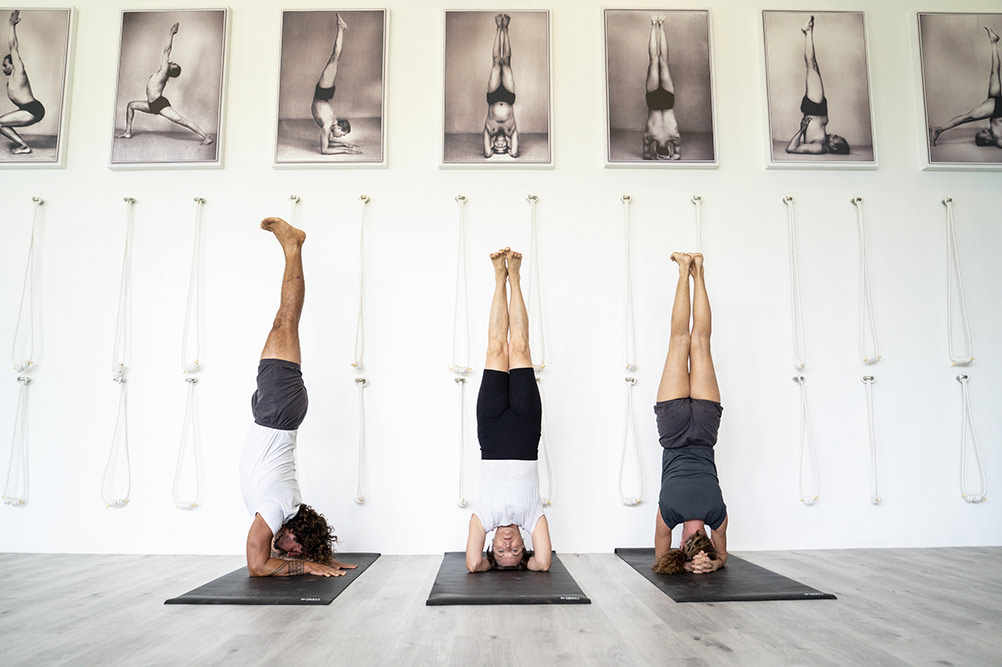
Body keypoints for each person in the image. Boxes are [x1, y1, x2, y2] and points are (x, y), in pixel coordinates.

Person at [240, 216, 356, 578]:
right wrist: (307, 565)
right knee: (286, 321)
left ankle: (293, 246)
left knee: (283, 322)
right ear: (296, 534)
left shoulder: (283, 509)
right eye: (295, 550)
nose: (286, 553)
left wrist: (320, 560)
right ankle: (293, 245)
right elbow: (257, 567)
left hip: (275, 413)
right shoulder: (277, 510)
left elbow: (264, 561)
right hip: (277, 413)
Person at [465, 248, 551, 572]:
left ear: (491, 547)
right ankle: (514, 277)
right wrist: (528, 563)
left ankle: (498, 278)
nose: (507, 547)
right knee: (520, 347)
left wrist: (487, 565)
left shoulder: (483, 517)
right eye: (515, 551)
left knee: (495, 348)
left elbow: (473, 564)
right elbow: (543, 564)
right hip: (526, 435)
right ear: (524, 544)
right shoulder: (533, 516)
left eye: (501, 553)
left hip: (491, 434)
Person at [652, 252, 728, 575]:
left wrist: (701, 563)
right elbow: (723, 556)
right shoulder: (706, 516)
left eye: (688, 541)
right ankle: (692, 271)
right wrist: (711, 563)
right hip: (690, 432)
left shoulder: (705, 515)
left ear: (680, 544)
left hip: (684, 431)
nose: (694, 533)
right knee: (693, 341)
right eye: (700, 538)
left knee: (688, 341)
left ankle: (690, 271)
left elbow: (661, 557)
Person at [116, 22, 213, 145]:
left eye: (173, 64)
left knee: (181, 120)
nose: (172, 62)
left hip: (160, 104)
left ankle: (206, 136)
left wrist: (171, 33)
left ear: (171, 70)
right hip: (152, 104)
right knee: (131, 105)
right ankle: (128, 132)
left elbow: (167, 50)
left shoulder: (164, 72)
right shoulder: (162, 72)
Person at [785, 16, 850, 155]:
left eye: (836, 138)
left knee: (812, 66)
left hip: (815, 107)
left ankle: (808, 31)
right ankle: (808, 32)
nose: (834, 134)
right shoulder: (822, 141)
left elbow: (791, 149)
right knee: (814, 66)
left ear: (834, 147)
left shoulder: (819, 147)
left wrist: (802, 129)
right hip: (818, 106)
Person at [931, 27, 1002, 150]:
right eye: (984, 133)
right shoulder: (999, 140)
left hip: (996, 108)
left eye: (983, 131)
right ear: (987, 140)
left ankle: (993, 42)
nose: (985, 130)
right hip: (997, 108)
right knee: (967, 117)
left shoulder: (996, 135)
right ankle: (938, 130)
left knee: (994, 72)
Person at [311, 13, 359, 156]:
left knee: (335, 58)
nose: (340, 136)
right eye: (342, 134)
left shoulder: (330, 124)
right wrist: (345, 150)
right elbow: (324, 150)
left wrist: (344, 144)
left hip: (324, 94)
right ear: (338, 127)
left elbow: (326, 144)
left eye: (342, 136)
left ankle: (341, 28)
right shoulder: (328, 124)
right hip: (322, 93)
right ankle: (341, 28)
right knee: (335, 57)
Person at [1, 10, 44, 155]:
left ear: (13, 65)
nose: (2, 68)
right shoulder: (11, 80)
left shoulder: (18, 72)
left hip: (33, 110)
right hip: (26, 109)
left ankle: (24, 147)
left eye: (4, 65)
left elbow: (13, 46)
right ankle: (23, 146)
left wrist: (11, 25)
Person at [643, 15, 681, 160]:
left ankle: (659, 24)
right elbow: (646, 153)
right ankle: (655, 24)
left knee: (660, 61)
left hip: (666, 102)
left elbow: (677, 154)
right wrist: (656, 158)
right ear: (656, 149)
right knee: (657, 61)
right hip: (655, 102)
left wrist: (670, 158)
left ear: (668, 150)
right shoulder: (649, 136)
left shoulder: (675, 137)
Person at [483, 14, 519, 158]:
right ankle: (506, 29)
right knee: (507, 61)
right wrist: (512, 152)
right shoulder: (511, 131)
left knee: (497, 62)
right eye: (503, 147)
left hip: (492, 97)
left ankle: (499, 29)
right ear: (507, 144)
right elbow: (515, 153)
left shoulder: (490, 130)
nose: (500, 145)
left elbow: (486, 153)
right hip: (509, 97)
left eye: (497, 147)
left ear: (493, 144)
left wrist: (490, 152)